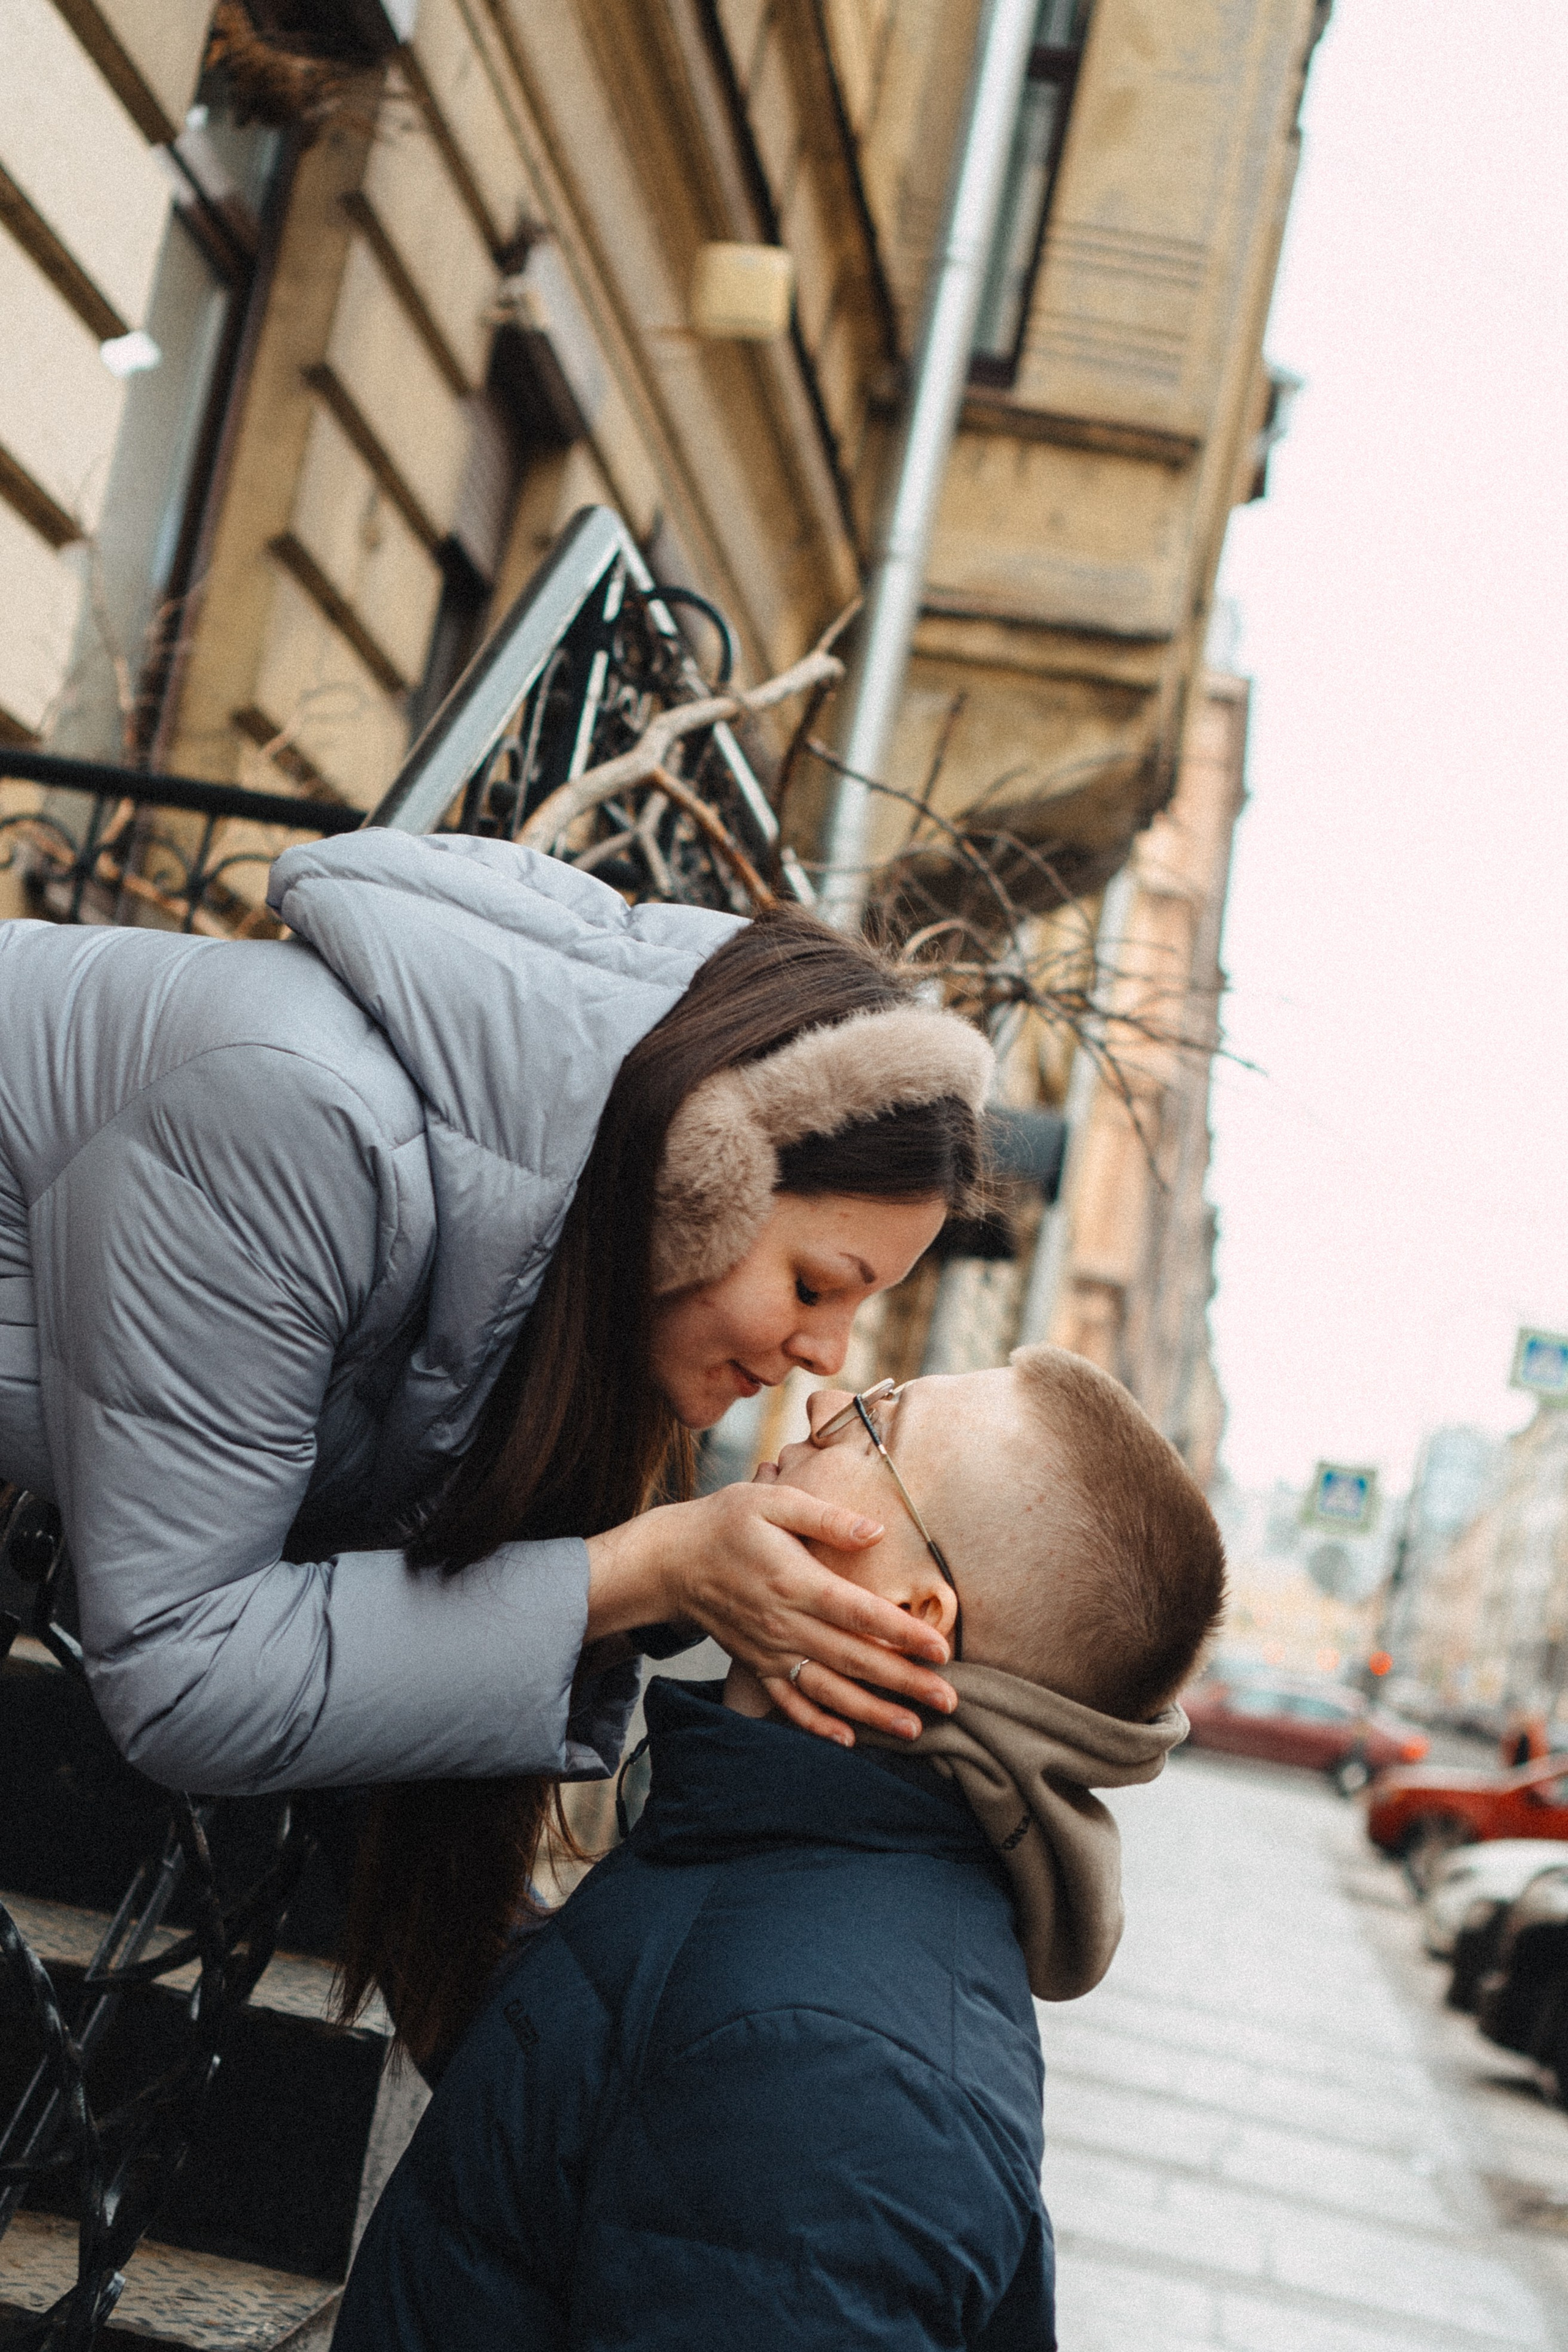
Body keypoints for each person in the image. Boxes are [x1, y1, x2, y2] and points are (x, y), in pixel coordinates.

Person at [0, 828, 993, 2067]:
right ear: (702, 1178)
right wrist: (643, 1571)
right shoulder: (299, 1118)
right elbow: (183, 1672)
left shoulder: (529, 1251)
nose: (827, 1355)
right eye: (813, 1285)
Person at [331, 1345, 1227, 2351]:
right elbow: (552, 2108)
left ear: (907, 1617)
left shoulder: (841, 2071)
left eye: (878, 1421)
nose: (826, 1398)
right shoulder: (779, 1863)